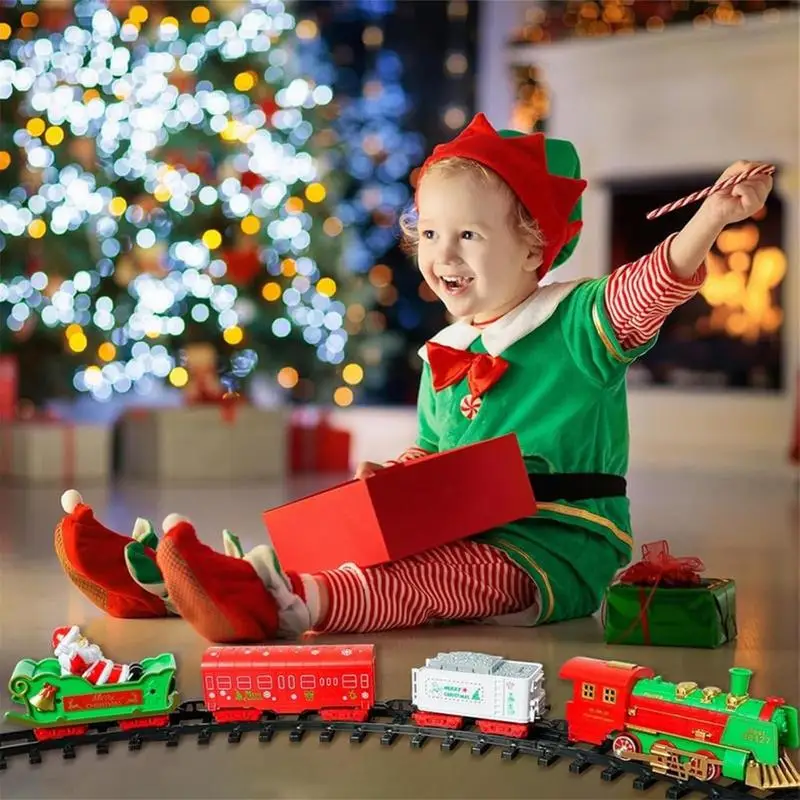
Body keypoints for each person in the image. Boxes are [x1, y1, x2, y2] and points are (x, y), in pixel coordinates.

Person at [54, 114, 772, 644]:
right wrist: (393, 484)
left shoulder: (579, 322)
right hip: (463, 521)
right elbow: (434, 453)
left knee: (436, 580)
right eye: (428, 234)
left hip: (554, 545)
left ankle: (295, 602)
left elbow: (650, 286)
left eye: (468, 235)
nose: (441, 255)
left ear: (533, 248)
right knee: (344, 527)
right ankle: (172, 580)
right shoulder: (444, 354)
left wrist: (709, 217)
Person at [52, 625, 143, 684]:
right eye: (77, 640)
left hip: (95, 666)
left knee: (109, 667)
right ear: (67, 646)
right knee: (107, 672)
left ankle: (127, 670)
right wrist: (72, 654)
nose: (83, 640)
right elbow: (77, 669)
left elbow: (92, 655)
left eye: (80, 637)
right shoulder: (66, 657)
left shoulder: (85, 650)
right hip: (89, 675)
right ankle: (127, 678)